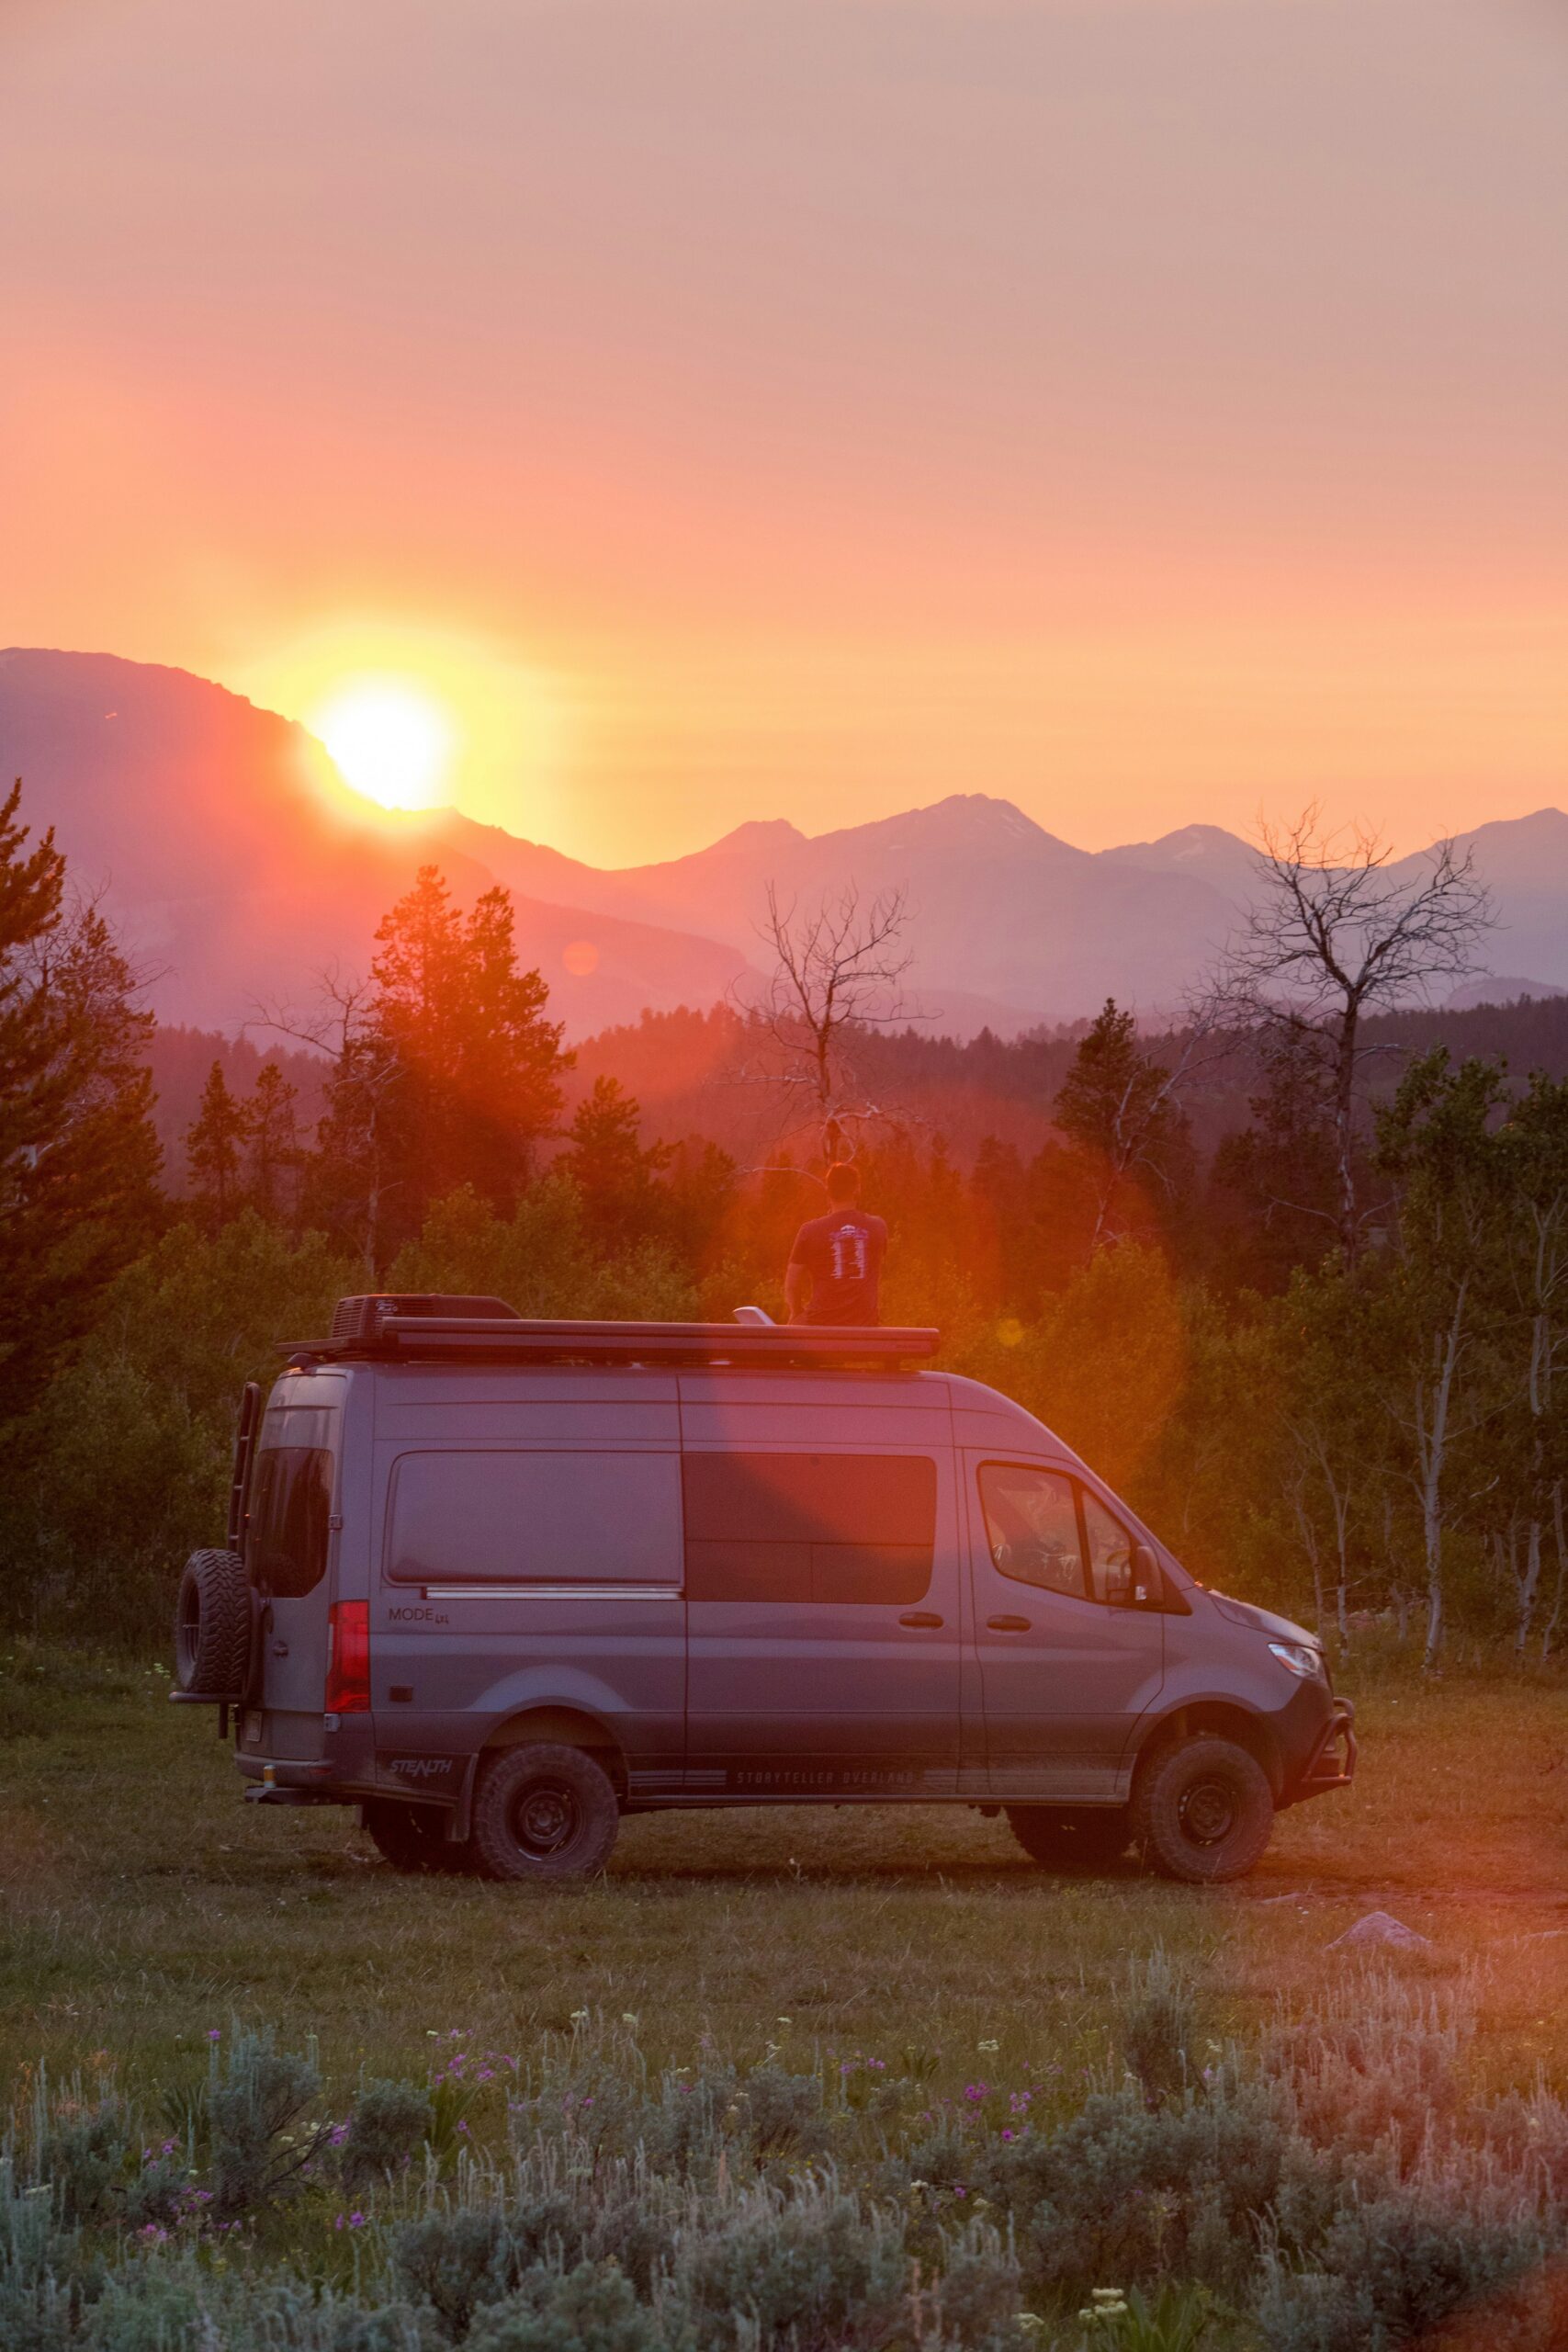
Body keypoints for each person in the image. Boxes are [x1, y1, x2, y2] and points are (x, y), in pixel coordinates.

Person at [784, 1161, 887, 1326]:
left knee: (790, 1327)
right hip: (864, 1325)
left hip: (819, 1323)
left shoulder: (809, 1231)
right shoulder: (878, 1227)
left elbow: (792, 1282)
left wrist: (796, 1312)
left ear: (828, 1191)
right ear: (857, 1190)